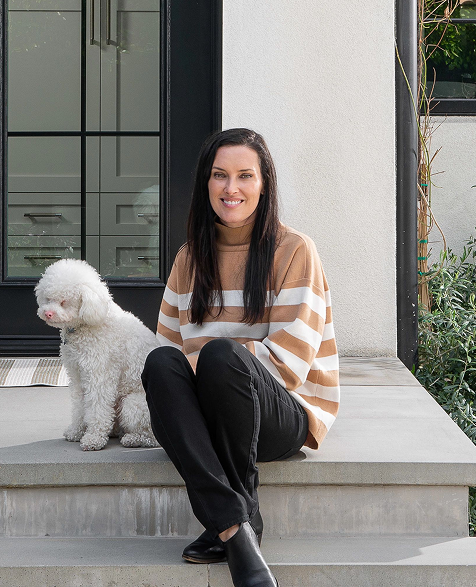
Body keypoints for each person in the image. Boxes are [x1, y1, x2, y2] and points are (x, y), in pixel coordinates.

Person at [142, 128, 339, 587]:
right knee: (158, 365)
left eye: (245, 176)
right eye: (220, 176)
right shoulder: (189, 257)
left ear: (264, 183)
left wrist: (211, 360)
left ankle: (227, 523)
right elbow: (168, 351)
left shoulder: (295, 250)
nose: (232, 188)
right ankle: (236, 525)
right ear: (205, 184)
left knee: (220, 357)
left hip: (280, 416)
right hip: (212, 416)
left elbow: (288, 364)